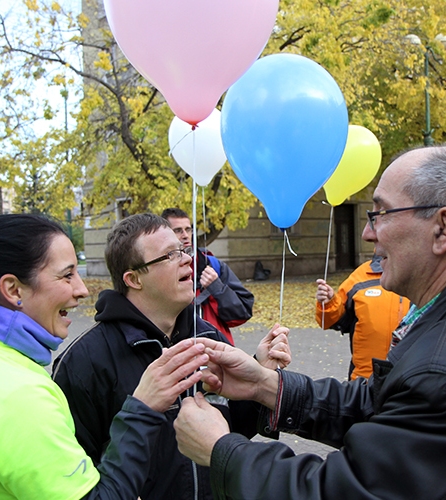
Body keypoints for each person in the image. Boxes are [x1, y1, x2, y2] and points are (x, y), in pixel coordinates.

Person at [173, 145, 446, 499]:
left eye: (381, 214)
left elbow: (353, 490)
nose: (369, 234)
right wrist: (268, 386)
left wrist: (221, 449)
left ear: (443, 229)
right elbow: (388, 407)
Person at [0, 213, 213, 499]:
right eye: (67, 275)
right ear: (14, 290)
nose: (83, 290)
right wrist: (142, 409)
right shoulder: (17, 395)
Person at [52, 213, 290, 500]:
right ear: (134, 279)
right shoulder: (84, 361)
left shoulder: (209, 339)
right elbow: (78, 471)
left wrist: (259, 380)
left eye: (183, 249)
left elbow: (229, 432)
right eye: (169, 255)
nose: (187, 259)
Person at [161, 208, 254, 344]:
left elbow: (241, 314)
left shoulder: (212, 265)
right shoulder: (160, 271)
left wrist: (217, 288)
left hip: (219, 353)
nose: (185, 235)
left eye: (188, 229)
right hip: (181, 355)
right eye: (178, 230)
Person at [315, 255, 410, 380]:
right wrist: (329, 302)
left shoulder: (427, 274)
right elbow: (334, 321)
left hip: (414, 380)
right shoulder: (360, 277)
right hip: (365, 381)